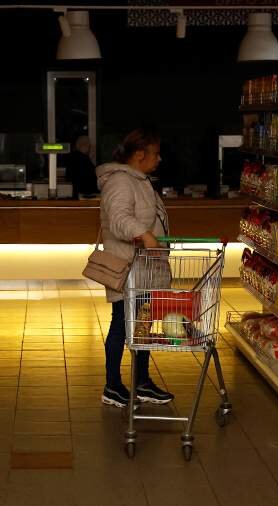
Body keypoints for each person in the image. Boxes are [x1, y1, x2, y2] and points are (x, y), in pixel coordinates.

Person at [95, 128, 174, 408]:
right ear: (140, 154)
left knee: (141, 325)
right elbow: (119, 219)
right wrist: (144, 234)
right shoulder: (121, 181)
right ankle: (113, 386)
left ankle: (141, 382)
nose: (159, 159)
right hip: (128, 269)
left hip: (143, 269)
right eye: (155, 153)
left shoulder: (139, 181)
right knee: (121, 323)